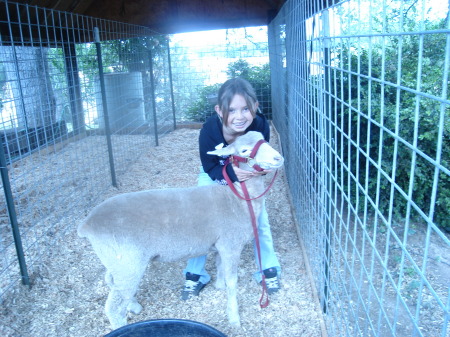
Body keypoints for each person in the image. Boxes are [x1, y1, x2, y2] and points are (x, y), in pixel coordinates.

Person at [181, 77, 281, 300]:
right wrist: (229, 176)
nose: (239, 116)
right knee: (202, 217)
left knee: (259, 219)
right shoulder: (209, 130)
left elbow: (260, 160)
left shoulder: (260, 124)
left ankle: (267, 268)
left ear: (255, 107)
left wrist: (259, 171)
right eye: (232, 110)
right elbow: (209, 166)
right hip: (216, 172)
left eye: (245, 109)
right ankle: (195, 274)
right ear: (219, 110)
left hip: (246, 174)